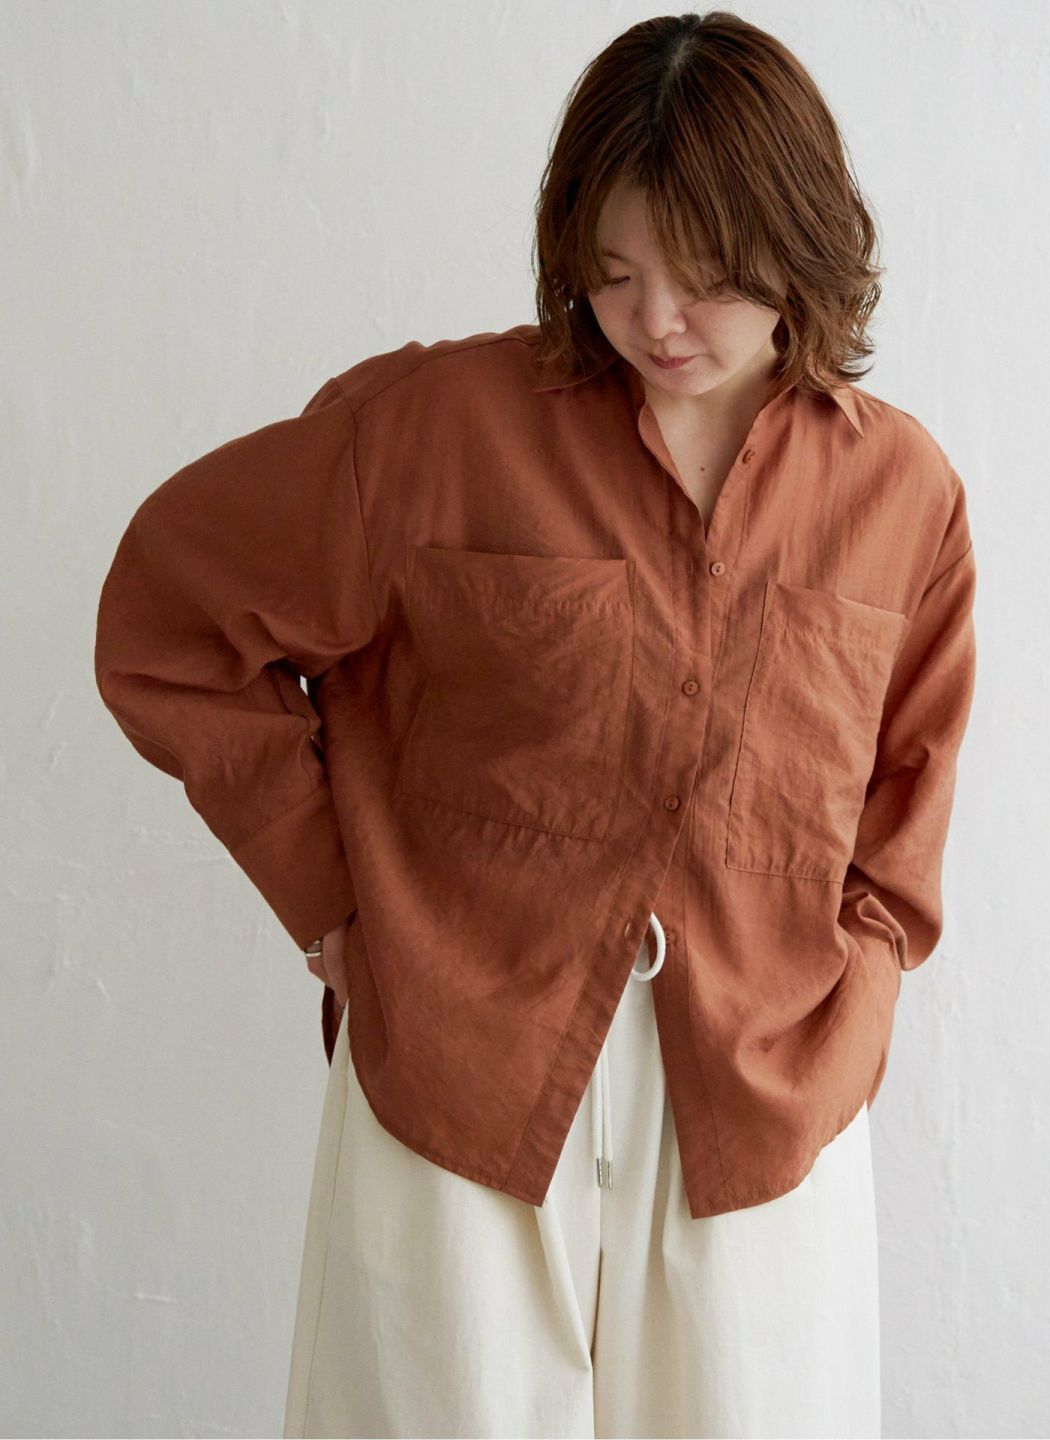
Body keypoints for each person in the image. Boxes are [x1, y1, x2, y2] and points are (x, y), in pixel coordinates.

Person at [94, 11, 977, 1438]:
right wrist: (331, 903)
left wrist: (857, 1001)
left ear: (800, 245)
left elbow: (902, 805)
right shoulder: (436, 431)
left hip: (763, 1104)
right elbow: (171, 619)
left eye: (706, 277)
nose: (657, 321)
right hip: (462, 1074)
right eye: (614, 274)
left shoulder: (903, 499)